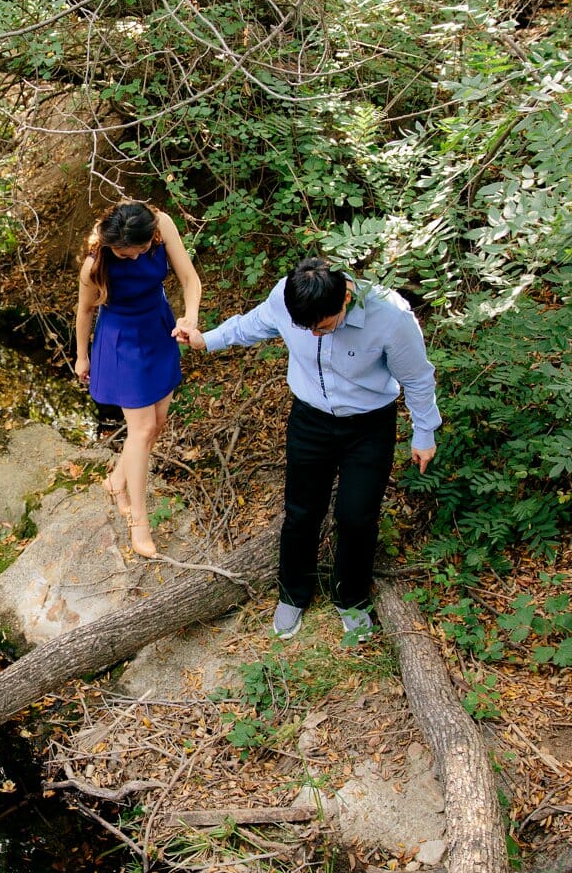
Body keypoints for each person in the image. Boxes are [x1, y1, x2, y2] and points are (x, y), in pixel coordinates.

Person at [175, 257, 439, 641]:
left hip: (368, 425)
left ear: (346, 298)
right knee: (301, 512)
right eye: (307, 328)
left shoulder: (390, 316)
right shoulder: (287, 296)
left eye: (325, 326)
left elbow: (417, 378)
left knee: (356, 517)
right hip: (310, 420)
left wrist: (424, 432)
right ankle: (293, 594)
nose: (316, 334)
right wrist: (207, 339)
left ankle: (350, 597)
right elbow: (254, 324)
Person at [74, 201, 202, 558]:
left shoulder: (160, 223)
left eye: (139, 253)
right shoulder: (95, 261)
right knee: (142, 429)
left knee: (157, 423)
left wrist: (189, 318)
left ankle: (116, 481)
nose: (132, 259)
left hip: (159, 326)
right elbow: (84, 310)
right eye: (123, 254)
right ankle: (139, 522)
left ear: (150, 238)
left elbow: (189, 279)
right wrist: (82, 356)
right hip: (121, 339)